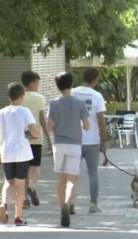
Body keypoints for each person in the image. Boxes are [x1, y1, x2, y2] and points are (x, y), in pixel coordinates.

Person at [48, 72, 90, 227]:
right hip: (75, 144)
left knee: (61, 178)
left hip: (59, 144)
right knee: (72, 179)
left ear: (57, 86)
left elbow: (49, 127)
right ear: (71, 84)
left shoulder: (53, 103)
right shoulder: (80, 103)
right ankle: (68, 202)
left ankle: (62, 207)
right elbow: (87, 126)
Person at [0, 83, 41, 226]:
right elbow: (33, 130)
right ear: (22, 96)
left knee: (8, 182)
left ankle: (3, 204)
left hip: (6, 152)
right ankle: (18, 217)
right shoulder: (24, 111)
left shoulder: (2, 112)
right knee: (20, 186)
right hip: (21, 153)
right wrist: (37, 134)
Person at [72, 67, 106, 213]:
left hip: (74, 139)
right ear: (94, 79)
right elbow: (101, 119)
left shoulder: (72, 93)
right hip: (92, 140)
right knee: (93, 173)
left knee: (72, 173)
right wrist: (104, 140)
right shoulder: (96, 96)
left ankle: (70, 203)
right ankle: (93, 204)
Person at [21, 71, 52, 209]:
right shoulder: (39, 98)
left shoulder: (19, 97)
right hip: (36, 138)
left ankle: (25, 199)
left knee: (24, 169)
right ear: (33, 83)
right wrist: (48, 139)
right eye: (38, 83)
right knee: (35, 167)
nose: (39, 85)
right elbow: (42, 120)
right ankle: (33, 187)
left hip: (22, 139)